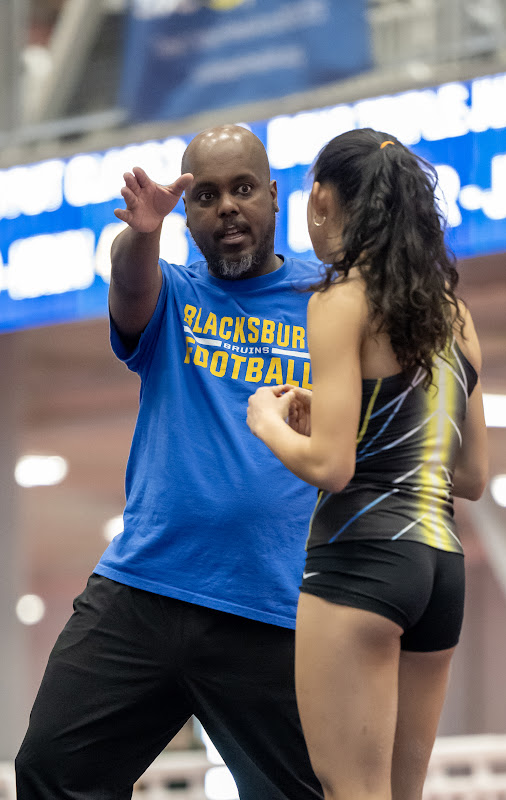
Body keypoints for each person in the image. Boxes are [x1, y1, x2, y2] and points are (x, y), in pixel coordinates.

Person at [15, 125, 324, 800]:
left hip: (271, 605)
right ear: (188, 216)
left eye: (243, 189)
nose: (227, 208)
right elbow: (130, 284)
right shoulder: (173, 294)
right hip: (144, 589)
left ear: (273, 196)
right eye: (205, 196)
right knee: (50, 770)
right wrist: (143, 232)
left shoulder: (327, 302)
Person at [247, 128, 488, 800]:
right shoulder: (453, 315)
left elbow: (331, 467)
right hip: (439, 569)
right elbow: (469, 476)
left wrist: (266, 423)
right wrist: (337, 410)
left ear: (321, 199)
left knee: (351, 789)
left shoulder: (339, 299)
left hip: (361, 561)